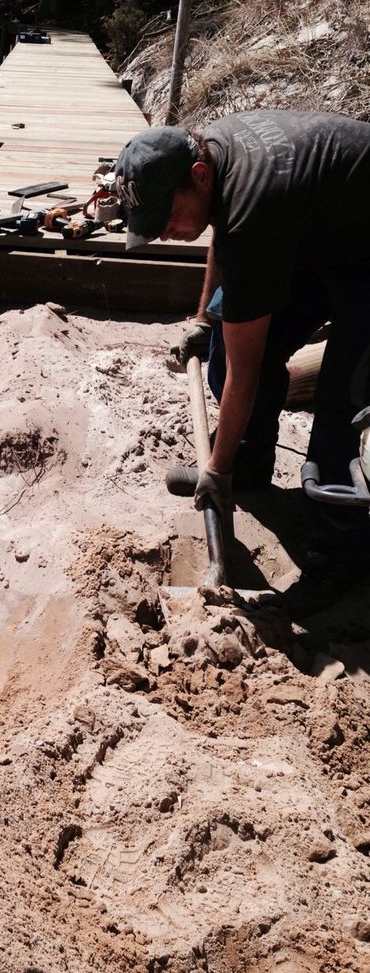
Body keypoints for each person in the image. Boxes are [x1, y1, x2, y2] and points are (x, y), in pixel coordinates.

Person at [114, 111, 370, 617]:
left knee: (342, 401)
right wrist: (204, 319)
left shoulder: (254, 206)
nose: (163, 234)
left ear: (199, 177)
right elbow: (222, 236)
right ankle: (250, 465)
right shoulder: (213, 155)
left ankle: (341, 554)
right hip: (328, 235)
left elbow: (245, 374)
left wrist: (215, 467)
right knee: (222, 350)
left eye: (166, 218)